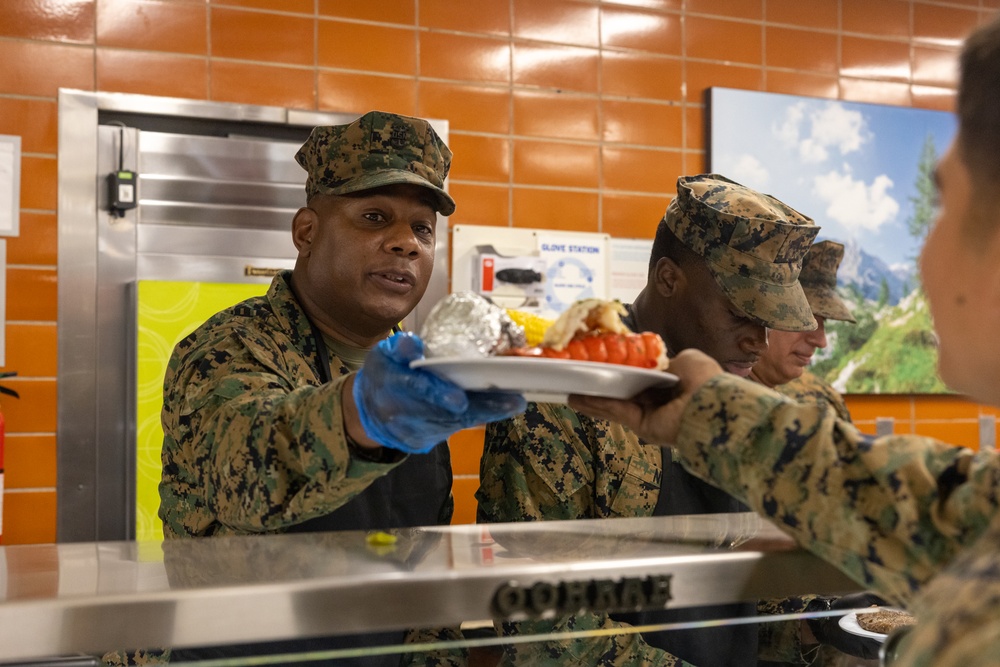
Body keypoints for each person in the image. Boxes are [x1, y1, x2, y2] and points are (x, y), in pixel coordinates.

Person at [568, 14, 1000, 666]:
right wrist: (710, 411)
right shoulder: (575, 394)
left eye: (941, 204)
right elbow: (928, 503)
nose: (925, 254)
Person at [152, 111, 525, 666]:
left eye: (422, 228)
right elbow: (251, 467)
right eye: (375, 218)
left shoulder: (420, 367)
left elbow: (418, 561)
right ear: (306, 232)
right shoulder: (229, 348)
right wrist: (363, 413)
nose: (406, 244)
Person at [477, 174, 875, 665]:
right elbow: (537, 616)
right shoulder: (567, 392)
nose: (758, 339)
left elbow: (732, 586)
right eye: (738, 312)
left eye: (768, 318)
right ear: (668, 278)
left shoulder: (740, 393)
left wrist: (810, 624)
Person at [750, 240, 856, 422]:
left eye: (824, 321)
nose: (821, 341)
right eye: (802, 317)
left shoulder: (821, 400)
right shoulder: (712, 401)